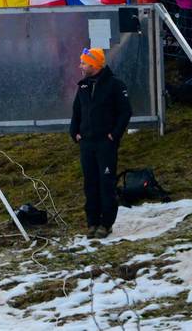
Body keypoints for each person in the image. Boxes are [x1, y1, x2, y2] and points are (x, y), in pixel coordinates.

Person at [69, 47, 132, 239]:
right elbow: (77, 112)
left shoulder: (115, 85)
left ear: (95, 65)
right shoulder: (83, 86)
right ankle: (92, 222)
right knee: (90, 183)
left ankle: (106, 223)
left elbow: (125, 112)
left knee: (106, 183)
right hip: (87, 143)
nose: (80, 66)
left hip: (105, 143)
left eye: (84, 63)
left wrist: (114, 135)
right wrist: (75, 132)